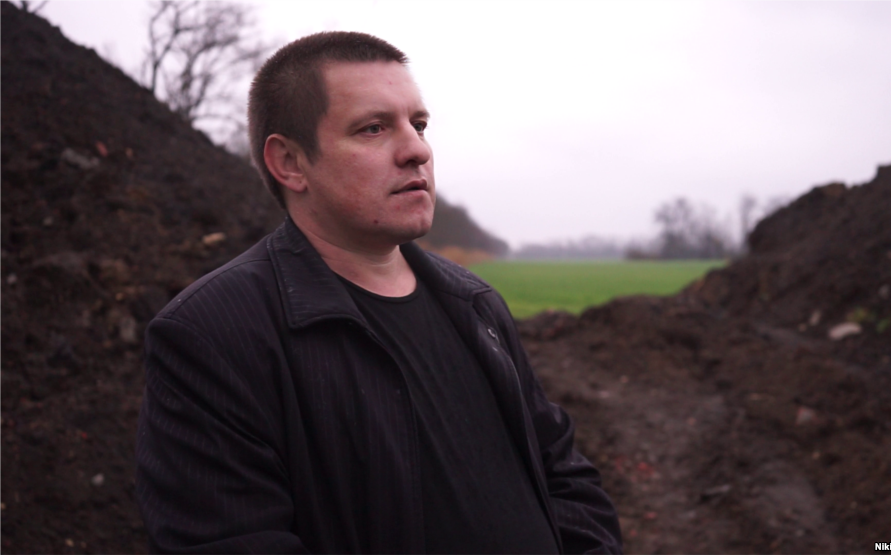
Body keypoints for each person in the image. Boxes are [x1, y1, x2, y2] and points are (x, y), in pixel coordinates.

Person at [135, 31, 622, 555]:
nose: (417, 150)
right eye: (373, 128)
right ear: (291, 163)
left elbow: (565, 479)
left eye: (419, 125)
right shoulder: (214, 335)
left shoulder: (475, 304)